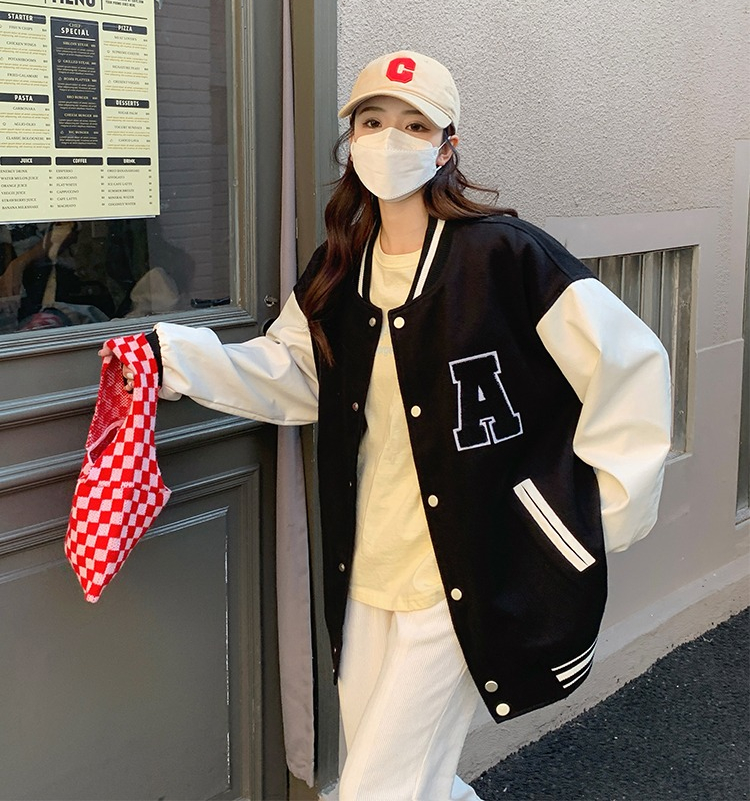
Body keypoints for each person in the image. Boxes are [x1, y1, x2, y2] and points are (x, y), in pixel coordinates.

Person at [103, 51, 672, 801]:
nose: (389, 139)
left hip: (466, 563)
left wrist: (593, 516)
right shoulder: (341, 266)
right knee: (407, 776)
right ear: (352, 141)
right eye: (372, 122)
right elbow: (294, 373)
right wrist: (173, 358)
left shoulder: (505, 256)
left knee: (379, 787)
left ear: (447, 146)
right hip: (368, 560)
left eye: (414, 125)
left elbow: (631, 366)